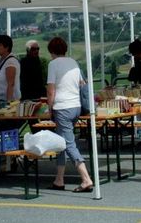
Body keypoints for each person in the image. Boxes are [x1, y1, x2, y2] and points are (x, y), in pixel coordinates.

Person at [46, 36, 94, 193]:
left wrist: (49, 107)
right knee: (62, 142)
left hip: (62, 107)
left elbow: (51, 89)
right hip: (76, 106)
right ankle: (59, 179)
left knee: (68, 143)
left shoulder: (53, 64)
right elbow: (82, 84)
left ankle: (86, 179)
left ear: (52, 51)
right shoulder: (73, 62)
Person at [0, 35, 21, 104]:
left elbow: (11, 84)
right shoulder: (1, 61)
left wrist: (8, 104)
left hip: (8, 101)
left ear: (7, 47)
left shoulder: (11, 61)